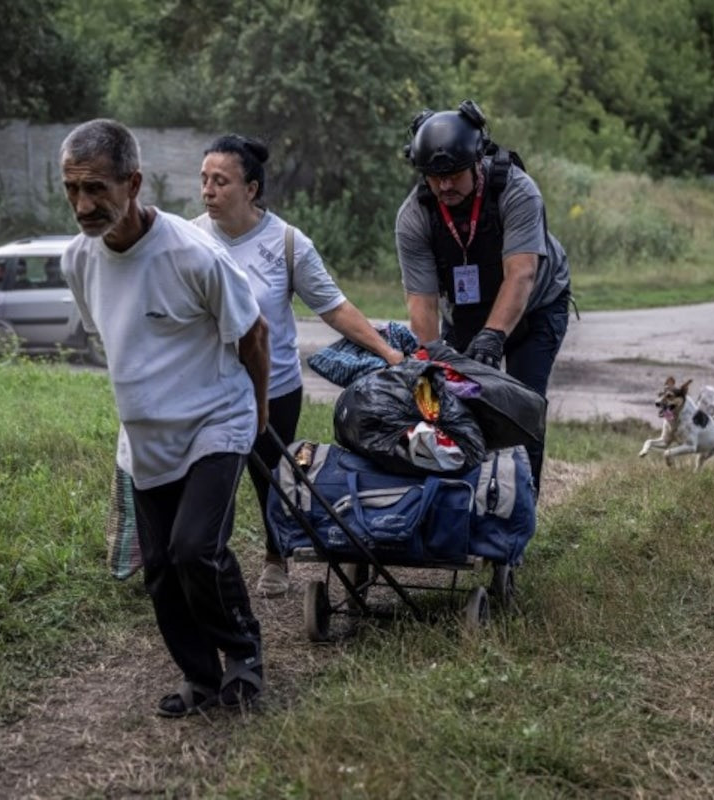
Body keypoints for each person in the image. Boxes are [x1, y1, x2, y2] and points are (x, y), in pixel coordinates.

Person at [59, 119, 271, 717]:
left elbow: (254, 333)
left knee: (194, 549)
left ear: (134, 182)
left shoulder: (191, 253)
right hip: (145, 439)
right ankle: (201, 678)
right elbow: (115, 340)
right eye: (72, 189)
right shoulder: (79, 261)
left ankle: (244, 655)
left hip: (215, 422)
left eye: (96, 188)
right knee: (160, 569)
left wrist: (255, 412)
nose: (83, 204)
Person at [192, 134, 405, 598]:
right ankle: (205, 559)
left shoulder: (287, 243)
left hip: (275, 387)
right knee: (211, 477)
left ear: (251, 189)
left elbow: (332, 307)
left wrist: (387, 352)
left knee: (273, 477)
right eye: (204, 179)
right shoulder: (189, 240)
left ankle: (276, 556)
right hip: (209, 386)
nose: (207, 190)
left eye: (221, 181)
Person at [395, 100, 572, 492]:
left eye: (454, 175)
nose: (444, 186)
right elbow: (421, 303)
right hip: (467, 310)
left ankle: (520, 514)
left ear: (477, 160)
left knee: (522, 405)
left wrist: (493, 338)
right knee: (455, 402)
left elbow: (521, 274)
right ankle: (468, 503)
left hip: (537, 304)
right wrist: (432, 359)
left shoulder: (517, 191)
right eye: (433, 177)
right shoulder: (414, 216)